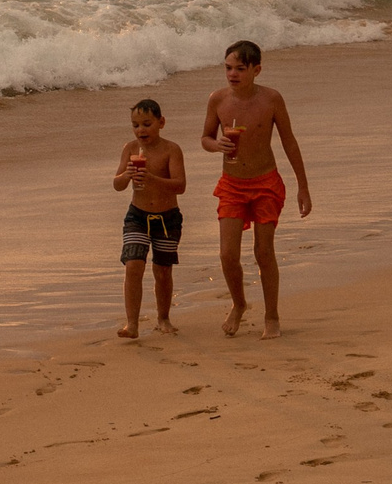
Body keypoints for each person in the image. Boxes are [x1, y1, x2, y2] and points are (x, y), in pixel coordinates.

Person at [200, 40, 312, 339]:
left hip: (265, 183)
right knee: (227, 255)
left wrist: (303, 186)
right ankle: (239, 304)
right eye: (227, 68)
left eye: (239, 68)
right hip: (232, 184)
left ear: (256, 70)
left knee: (264, 252)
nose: (232, 74)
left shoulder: (272, 99)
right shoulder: (218, 100)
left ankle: (272, 316)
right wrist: (216, 145)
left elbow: (289, 141)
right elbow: (206, 138)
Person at [113, 98, 187, 339]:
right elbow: (117, 185)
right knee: (133, 265)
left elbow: (180, 185)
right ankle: (131, 324)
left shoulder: (171, 150)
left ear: (161, 122)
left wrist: (152, 178)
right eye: (135, 125)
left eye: (146, 124)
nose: (141, 130)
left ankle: (163, 318)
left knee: (163, 270)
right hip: (138, 215)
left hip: (167, 218)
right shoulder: (130, 149)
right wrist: (127, 174)